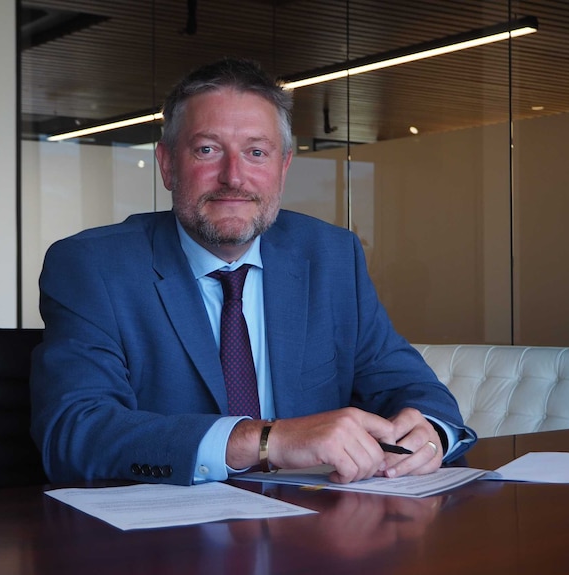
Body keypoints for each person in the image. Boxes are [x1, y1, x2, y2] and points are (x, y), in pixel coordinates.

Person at [30, 57, 476, 487]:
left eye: (256, 152)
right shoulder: (93, 267)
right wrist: (266, 441)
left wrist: (430, 432)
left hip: (318, 530)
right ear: (167, 164)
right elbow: (75, 433)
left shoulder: (331, 256)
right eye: (207, 149)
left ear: (283, 168)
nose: (234, 177)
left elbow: (411, 387)